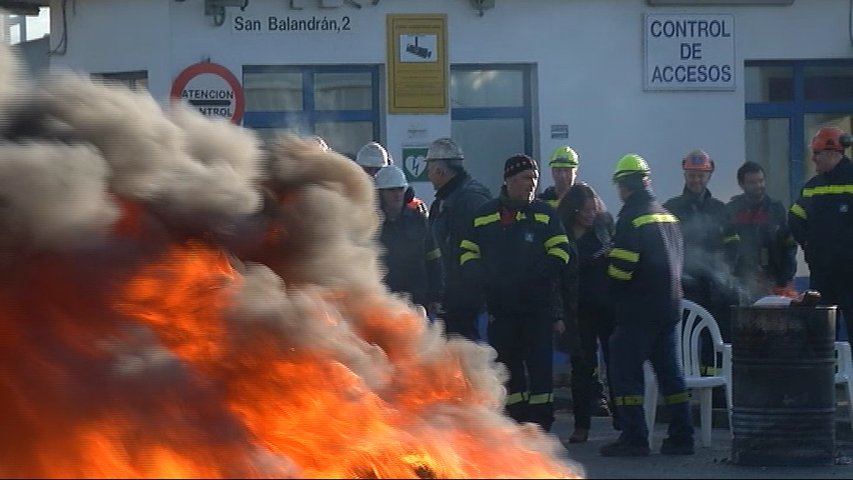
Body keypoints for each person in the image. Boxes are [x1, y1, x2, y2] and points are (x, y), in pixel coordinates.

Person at [459, 154, 570, 432]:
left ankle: (542, 424)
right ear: (508, 180)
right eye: (524, 179)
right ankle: (516, 419)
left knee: (540, 367)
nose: (531, 184)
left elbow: (561, 252)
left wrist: (532, 278)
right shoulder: (484, 216)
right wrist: (482, 278)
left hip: (537, 308)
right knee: (508, 366)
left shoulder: (545, 214)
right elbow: (466, 252)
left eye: (534, 178)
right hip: (501, 306)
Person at [601, 153, 694, 457]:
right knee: (670, 374)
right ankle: (683, 436)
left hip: (638, 310)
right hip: (668, 307)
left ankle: (635, 437)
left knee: (625, 372)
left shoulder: (631, 217)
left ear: (623, 186)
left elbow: (622, 269)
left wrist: (609, 268)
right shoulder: (666, 215)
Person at [663, 149, 739, 374]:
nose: (696, 180)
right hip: (685, 287)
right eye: (692, 175)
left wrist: (726, 273)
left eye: (701, 175)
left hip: (716, 288)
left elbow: (733, 245)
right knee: (680, 339)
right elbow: (666, 246)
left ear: (709, 175)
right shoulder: (671, 208)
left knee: (715, 338)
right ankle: (682, 387)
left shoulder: (720, 209)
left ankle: (713, 391)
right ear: (685, 175)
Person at [556, 181, 618, 443]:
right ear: (574, 211)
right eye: (586, 210)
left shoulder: (604, 229)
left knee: (616, 365)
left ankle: (623, 418)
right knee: (582, 368)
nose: (591, 214)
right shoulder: (563, 236)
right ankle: (582, 425)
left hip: (608, 310)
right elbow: (556, 279)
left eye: (594, 209)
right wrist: (558, 315)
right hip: (578, 312)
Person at [789, 126, 853, 341]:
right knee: (821, 337)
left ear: (834, 153)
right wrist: (809, 246)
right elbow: (795, 218)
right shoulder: (812, 186)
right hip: (822, 274)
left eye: (817, 154)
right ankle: (827, 376)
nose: (813, 159)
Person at [424, 137, 492, 340]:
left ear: (440, 171)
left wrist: (461, 296)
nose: (428, 175)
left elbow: (470, 253)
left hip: (468, 303)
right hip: (452, 299)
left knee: (466, 355)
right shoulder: (443, 201)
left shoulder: (470, 199)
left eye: (429, 169)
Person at [375, 165, 442, 316]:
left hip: (416, 301)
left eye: (400, 189)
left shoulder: (419, 220)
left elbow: (433, 260)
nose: (397, 194)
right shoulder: (370, 223)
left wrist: (435, 296)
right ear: (380, 193)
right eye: (391, 190)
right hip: (382, 302)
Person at [727, 161, 798, 303]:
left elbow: (789, 246)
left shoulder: (776, 209)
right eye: (752, 182)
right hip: (743, 282)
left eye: (761, 181)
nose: (758, 186)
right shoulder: (732, 210)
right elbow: (727, 249)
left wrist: (785, 278)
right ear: (742, 185)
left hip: (776, 281)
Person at [355, 141, 427, 214]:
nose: (373, 175)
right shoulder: (350, 203)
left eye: (378, 170)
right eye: (368, 170)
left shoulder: (415, 206)